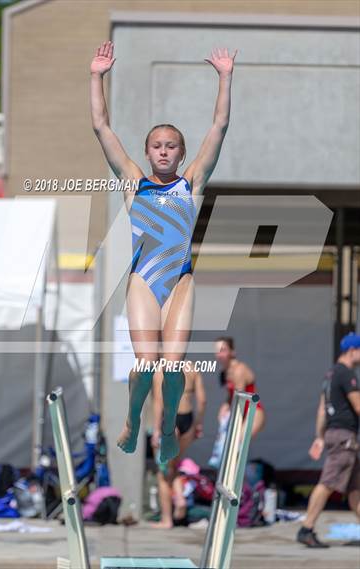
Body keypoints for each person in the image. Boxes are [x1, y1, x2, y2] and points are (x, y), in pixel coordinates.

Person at [90, 41, 236, 462]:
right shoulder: (133, 180)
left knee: (173, 368)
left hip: (180, 282)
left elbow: (219, 127)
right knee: (146, 364)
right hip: (144, 281)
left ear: (182, 153)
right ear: (147, 151)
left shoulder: (191, 183)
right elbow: (101, 126)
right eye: (157, 146)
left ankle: (167, 423)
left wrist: (225, 77)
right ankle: (135, 419)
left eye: (172, 146)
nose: (165, 151)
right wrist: (97, 75)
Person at [296, 332, 360, 548]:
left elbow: (322, 410)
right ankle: (307, 528)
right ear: (353, 350)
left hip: (335, 435)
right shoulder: (347, 374)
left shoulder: (330, 375)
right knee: (327, 483)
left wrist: (320, 437)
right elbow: (358, 406)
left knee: (355, 490)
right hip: (344, 438)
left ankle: (307, 528)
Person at [149, 361, 206, 528]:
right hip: (188, 420)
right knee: (174, 466)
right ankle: (180, 499)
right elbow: (202, 401)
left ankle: (167, 519)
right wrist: (197, 424)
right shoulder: (192, 367)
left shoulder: (161, 369)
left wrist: (156, 429)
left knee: (163, 473)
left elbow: (159, 401)